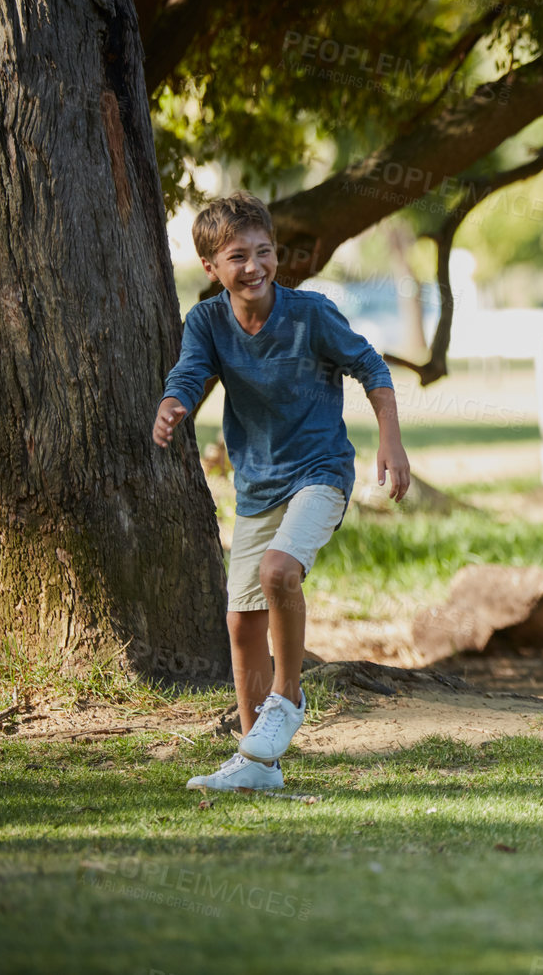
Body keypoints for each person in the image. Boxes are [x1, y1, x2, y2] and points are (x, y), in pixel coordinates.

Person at [155, 192, 410, 791]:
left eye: (263, 252)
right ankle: (257, 765)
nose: (254, 267)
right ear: (212, 269)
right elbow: (191, 373)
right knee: (241, 623)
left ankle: (288, 695)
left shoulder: (311, 314)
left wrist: (391, 442)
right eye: (237, 256)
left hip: (321, 472)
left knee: (278, 574)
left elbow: (372, 369)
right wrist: (174, 405)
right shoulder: (208, 322)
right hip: (257, 485)